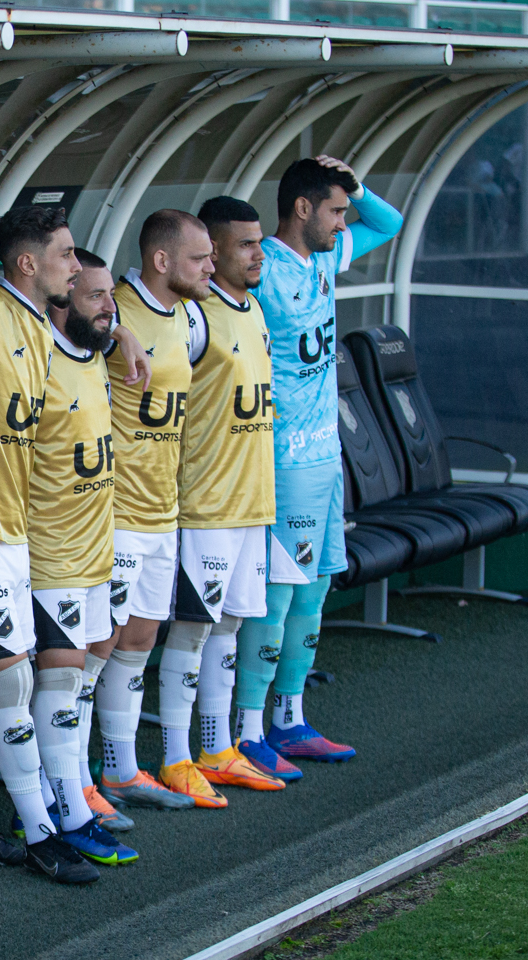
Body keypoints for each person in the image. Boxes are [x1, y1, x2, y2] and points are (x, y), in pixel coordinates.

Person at [0, 204, 113, 884]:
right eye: (67, 254)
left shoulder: (38, 324)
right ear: (28, 262)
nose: (76, 265)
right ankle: (42, 829)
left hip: (9, 529)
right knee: (12, 681)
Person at [234, 158, 401, 776]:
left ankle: (290, 720)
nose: (343, 222)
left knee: (317, 589)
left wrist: (358, 186)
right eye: (335, 210)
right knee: (278, 597)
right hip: (284, 460)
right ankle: (246, 730)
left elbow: (390, 223)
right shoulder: (263, 268)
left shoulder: (325, 260)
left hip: (328, 459)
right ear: (302, 209)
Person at [0, 219, 147, 866]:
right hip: (49, 551)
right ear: (62, 299)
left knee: (78, 680)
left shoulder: (98, 353)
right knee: (57, 687)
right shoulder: (38, 356)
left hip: (95, 551)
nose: (109, 308)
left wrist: (120, 329)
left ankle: (63, 793)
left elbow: (109, 327)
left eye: (112, 296)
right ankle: (65, 810)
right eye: (96, 297)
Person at [159, 198, 292, 800]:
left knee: (230, 627)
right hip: (205, 504)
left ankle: (217, 749)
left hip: (252, 502)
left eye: (260, 242)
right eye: (246, 244)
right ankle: (175, 757)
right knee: (192, 630)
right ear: (211, 251)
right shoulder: (193, 317)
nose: (259, 254)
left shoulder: (253, 308)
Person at [92, 212, 225, 812]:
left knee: (140, 638)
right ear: (162, 260)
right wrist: (119, 332)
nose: (211, 267)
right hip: (115, 509)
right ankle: (75, 779)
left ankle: (122, 769)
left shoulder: (191, 318)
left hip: (161, 509)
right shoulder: (111, 310)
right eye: (200, 258)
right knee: (98, 644)